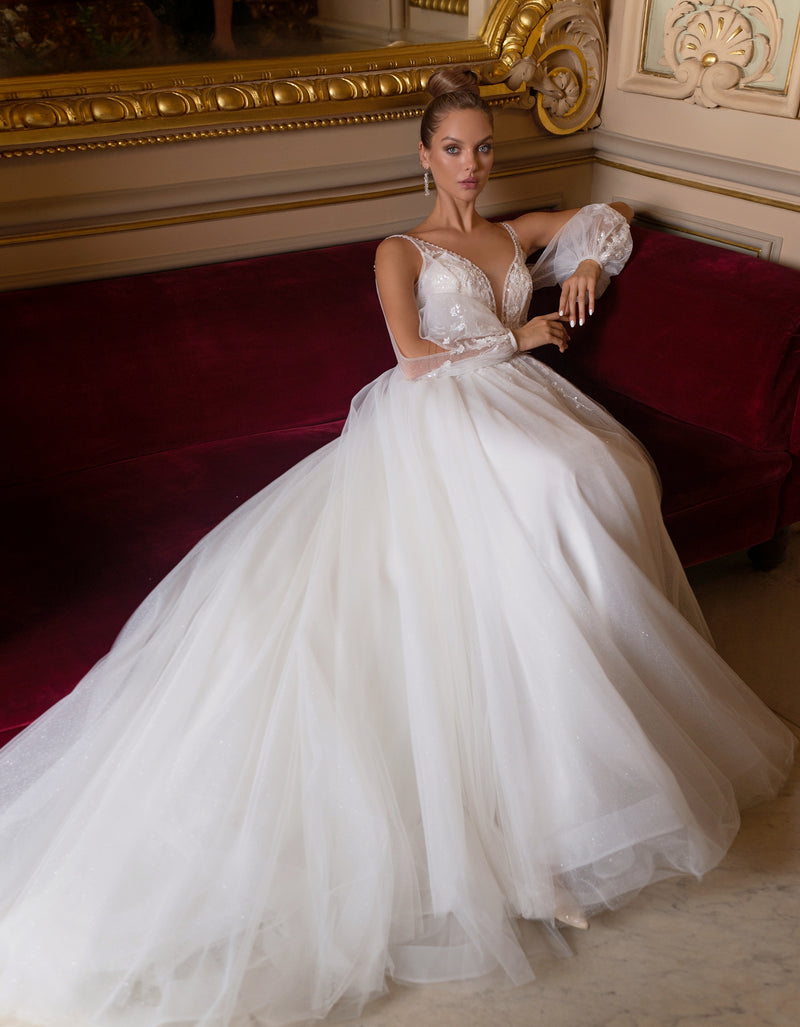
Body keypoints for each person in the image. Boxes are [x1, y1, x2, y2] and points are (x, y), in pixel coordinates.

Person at [0, 68, 794, 1027]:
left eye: (483, 148)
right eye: (453, 149)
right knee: (557, 483)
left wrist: (586, 263)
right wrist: (524, 335)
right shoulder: (400, 248)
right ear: (425, 156)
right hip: (439, 410)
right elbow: (412, 358)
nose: (471, 165)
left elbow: (613, 209)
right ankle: (519, 824)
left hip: (518, 399)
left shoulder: (511, 233)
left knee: (604, 473)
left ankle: (572, 744)